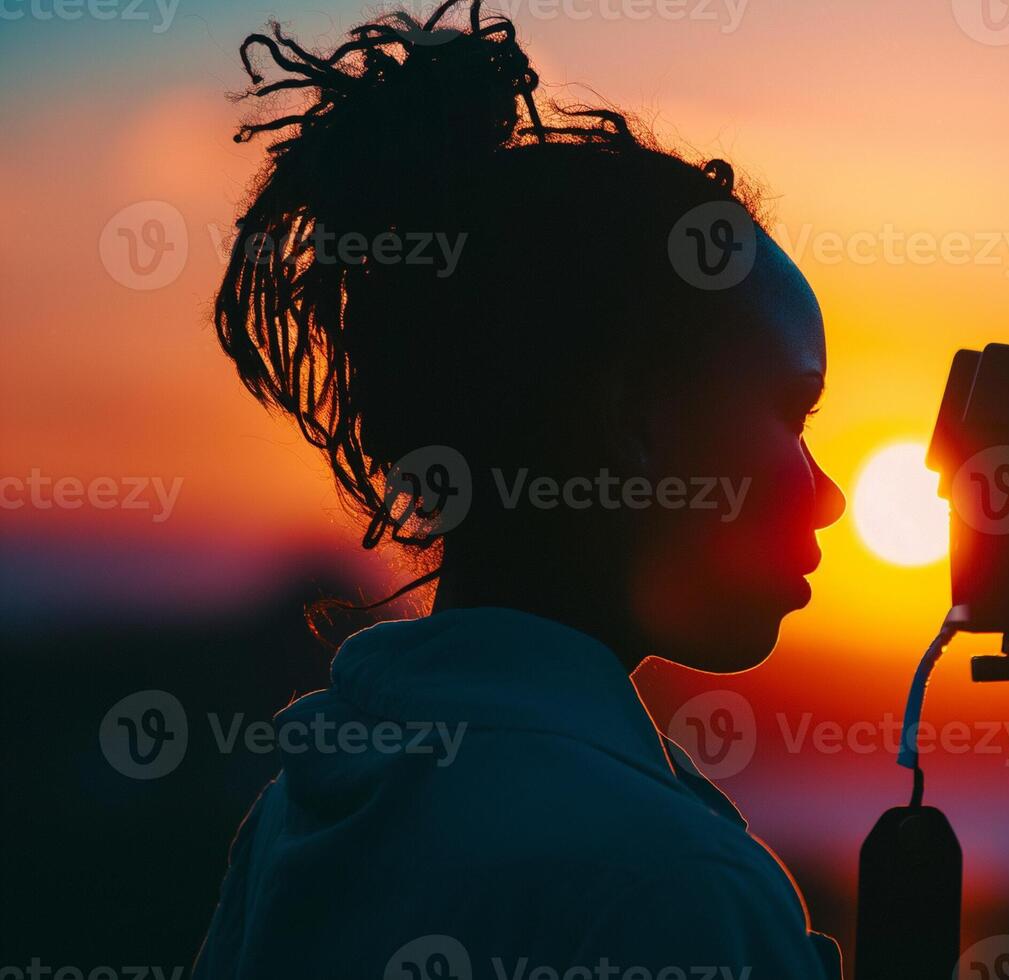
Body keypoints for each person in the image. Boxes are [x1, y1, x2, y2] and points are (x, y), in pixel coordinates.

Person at [192, 2, 846, 977]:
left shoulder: (301, 812)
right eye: (793, 417)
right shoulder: (673, 884)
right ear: (639, 420)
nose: (828, 493)